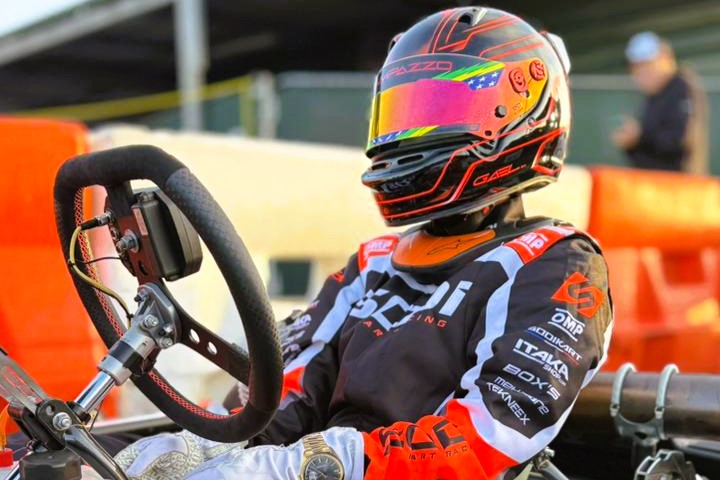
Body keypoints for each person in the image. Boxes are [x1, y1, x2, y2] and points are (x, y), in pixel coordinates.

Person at [113, 7, 613, 480]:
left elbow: (491, 433)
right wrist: (211, 449)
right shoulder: (376, 262)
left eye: (438, 108)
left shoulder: (554, 261)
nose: (410, 132)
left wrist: (323, 462)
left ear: (518, 115)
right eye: (404, 111)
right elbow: (294, 386)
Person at [611, 31, 708, 174]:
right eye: (636, 67)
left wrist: (640, 136)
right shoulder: (654, 96)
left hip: (680, 184)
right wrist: (631, 144)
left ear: (665, 58)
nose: (640, 72)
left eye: (647, 64)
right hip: (653, 183)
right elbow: (647, 154)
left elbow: (680, 143)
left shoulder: (682, 88)